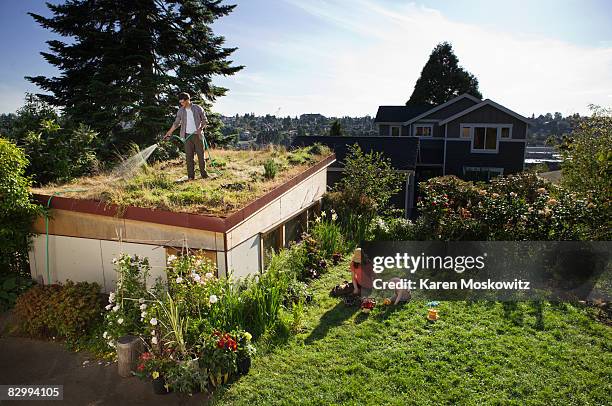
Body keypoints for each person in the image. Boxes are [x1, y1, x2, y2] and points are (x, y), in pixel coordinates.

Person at [163, 92, 209, 180]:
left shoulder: (198, 108)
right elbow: (176, 123)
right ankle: (191, 177)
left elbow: (205, 120)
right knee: (189, 157)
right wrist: (169, 132)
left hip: (198, 135)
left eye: (182, 102)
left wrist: (200, 128)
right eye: (180, 102)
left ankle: (204, 175)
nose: (181, 104)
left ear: (188, 100)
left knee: (201, 156)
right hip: (186, 136)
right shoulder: (180, 110)